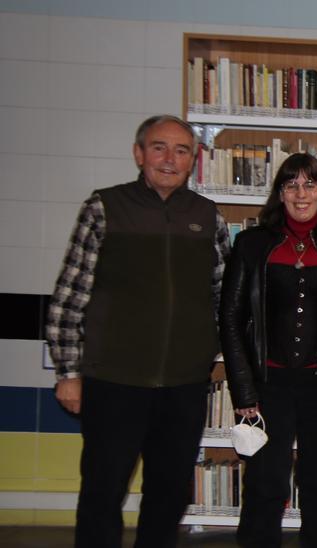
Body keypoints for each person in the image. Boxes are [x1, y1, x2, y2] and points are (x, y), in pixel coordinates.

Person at [46, 114, 230, 547]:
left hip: (183, 385)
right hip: (113, 381)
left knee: (168, 494)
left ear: (194, 159)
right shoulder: (104, 207)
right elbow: (70, 296)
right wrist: (68, 373)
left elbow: (224, 298)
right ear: (138, 153)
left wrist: (205, 348)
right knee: (103, 492)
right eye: (159, 147)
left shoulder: (207, 216)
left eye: (182, 150)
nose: (170, 159)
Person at [220, 152, 317, 547]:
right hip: (267, 388)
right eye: (291, 185)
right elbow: (231, 320)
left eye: (310, 184)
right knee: (264, 485)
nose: (301, 193)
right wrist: (243, 390)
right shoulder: (251, 244)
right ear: (280, 193)